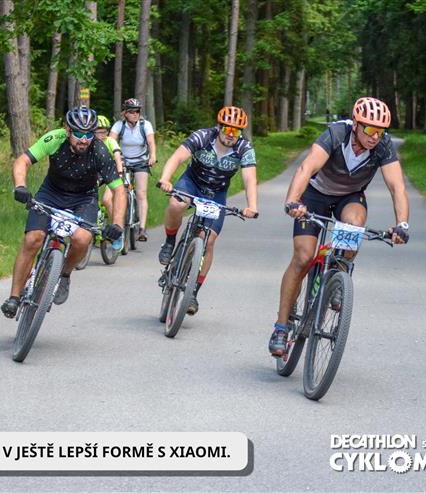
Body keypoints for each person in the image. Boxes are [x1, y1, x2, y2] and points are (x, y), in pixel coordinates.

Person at [267, 97, 410, 357]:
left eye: (380, 131)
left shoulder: (382, 145)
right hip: (315, 195)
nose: (374, 136)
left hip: (350, 197)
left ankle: (337, 275)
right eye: (369, 129)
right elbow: (306, 167)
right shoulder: (336, 134)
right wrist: (293, 201)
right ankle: (281, 326)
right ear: (355, 124)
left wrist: (402, 224)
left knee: (354, 225)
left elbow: (397, 186)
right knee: (302, 257)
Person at [0, 107, 126, 318]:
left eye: (89, 134)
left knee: (82, 239)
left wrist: (118, 224)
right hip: (51, 193)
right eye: (78, 133)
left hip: (83, 199)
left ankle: (65, 274)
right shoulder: (55, 139)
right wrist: (20, 186)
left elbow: (119, 190)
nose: (84, 140)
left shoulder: (100, 151)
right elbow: (22, 161)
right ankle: (13, 297)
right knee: (33, 239)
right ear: (68, 131)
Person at [156, 106, 259, 315]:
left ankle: (193, 291)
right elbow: (178, 157)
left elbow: (250, 178)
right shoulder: (203, 137)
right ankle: (169, 242)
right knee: (177, 204)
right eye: (227, 129)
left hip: (216, 193)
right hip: (192, 183)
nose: (231, 135)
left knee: (209, 240)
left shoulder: (244, 148)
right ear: (219, 127)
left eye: (236, 131)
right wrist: (165, 179)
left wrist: (252, 206)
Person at [109, 98, 157, 241]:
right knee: (121, 192)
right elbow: (110, 142)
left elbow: (151, 142)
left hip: (141, 161)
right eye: (132, 112)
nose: (135, 114)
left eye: (137, 111)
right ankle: (119, 222)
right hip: (123, 161)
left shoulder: (145, 125)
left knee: (141, 193)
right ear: (125, 113)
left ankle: (142, 229)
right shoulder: (119, 125)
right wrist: (112, 158)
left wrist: (153, 156)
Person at [95, 114, 124, 238]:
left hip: (112, 171)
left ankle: (116, 227)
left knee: (107, 199)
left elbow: (117, 156)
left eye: (104, 132)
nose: (102, 135)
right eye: (98, 132)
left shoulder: (110, 141)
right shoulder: (90, 143)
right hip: (97, 173)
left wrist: (120, 172)